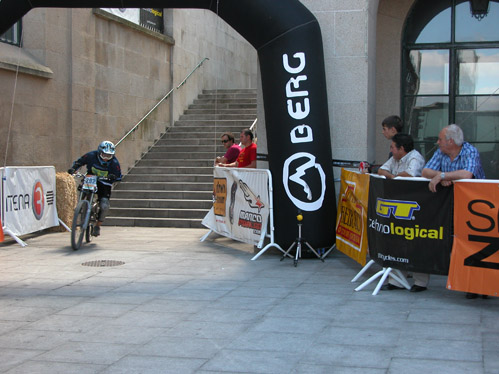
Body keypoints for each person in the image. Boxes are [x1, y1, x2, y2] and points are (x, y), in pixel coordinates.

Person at [422, 124, 486, 299]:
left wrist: (443, 176)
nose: (437, 142)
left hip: (476, 207)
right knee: (454, 241)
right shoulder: (442, 152)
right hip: (451, 205)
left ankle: (476, 285)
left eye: (440, 139)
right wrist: (443, 175)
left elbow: (466, 175)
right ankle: (464, 281)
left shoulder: (470, 151)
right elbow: (425, 171)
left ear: (450, 141)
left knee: (474, 244)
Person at [377, 133, 428, 292]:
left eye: (393, 147)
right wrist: (393, 177)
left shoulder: (415, 158)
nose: (391, 150)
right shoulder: (395, 158)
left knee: (417, 243)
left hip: (417, 207)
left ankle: (421, 282)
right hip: (399, 205)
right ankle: (396, 280)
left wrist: (393, 178)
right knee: (396, 241)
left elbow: (410, 175)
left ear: (402, 148)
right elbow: (381, 170)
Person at [68, 140, 122, 237]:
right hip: (90, 179)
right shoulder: (91, 155)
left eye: (109, 156)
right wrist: (74, 168)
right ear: (99, 152)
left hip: (104, 183)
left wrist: (113, 177)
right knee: (82, 190)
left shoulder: (114, 162)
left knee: (104, 205)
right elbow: (79, 162)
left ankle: (98, 225)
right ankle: (80, 206)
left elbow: (119, 176)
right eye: (104, 155)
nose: (106, 158)